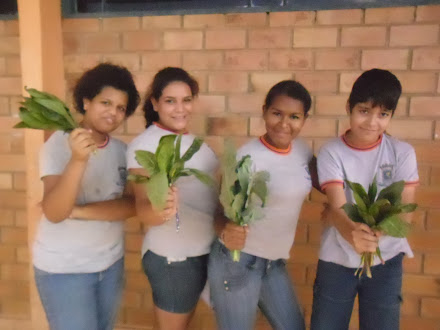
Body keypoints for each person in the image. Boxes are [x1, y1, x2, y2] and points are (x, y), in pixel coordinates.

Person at [33, 63, 140, 330]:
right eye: (106, 102)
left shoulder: (121, 151)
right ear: (86, 101)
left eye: (120, 108)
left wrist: (78, 211)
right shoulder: (59, 144)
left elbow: (128, 206)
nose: (113, 113)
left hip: (109, 265)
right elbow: (55, 213)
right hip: (65, 270)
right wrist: (78, 160)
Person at [311, 69, 419, 330]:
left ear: (391, 115)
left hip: (387, 261)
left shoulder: (402, 153)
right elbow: (336, 208)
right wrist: (352, 232)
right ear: (349, 107)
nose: (372, 122)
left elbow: (404, 214)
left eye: (383, 114)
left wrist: (376, 236)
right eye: (364, 111)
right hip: (337, 261)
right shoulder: (331, 152)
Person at [208, 80, 319, 330]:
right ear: (264, 111)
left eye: (294, 116)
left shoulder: (301, 150)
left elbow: (326, 183)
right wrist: (226, 229)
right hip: (236, 262)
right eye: (276, 113)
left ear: (304, 119)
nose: (284, 123)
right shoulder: (247, 157)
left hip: (274, 263)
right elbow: (217, 210)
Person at [127, 67, 218, 330]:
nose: (180, 108)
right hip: (174, 259)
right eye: (170, 101)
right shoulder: (146, 146)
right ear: (155, 103)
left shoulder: (195, 143)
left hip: (204, 252)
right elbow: (144, 211)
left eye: (186, 100)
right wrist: (163, 206)